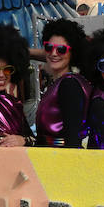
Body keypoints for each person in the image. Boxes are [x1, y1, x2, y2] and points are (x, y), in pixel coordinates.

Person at [35, 19, 91, 147]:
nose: (54, 54)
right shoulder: (63, 82)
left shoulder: (69, 85)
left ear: (73, 53)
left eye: (61, 49)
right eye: (49, 47)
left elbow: (73, 138)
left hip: (59, 161)